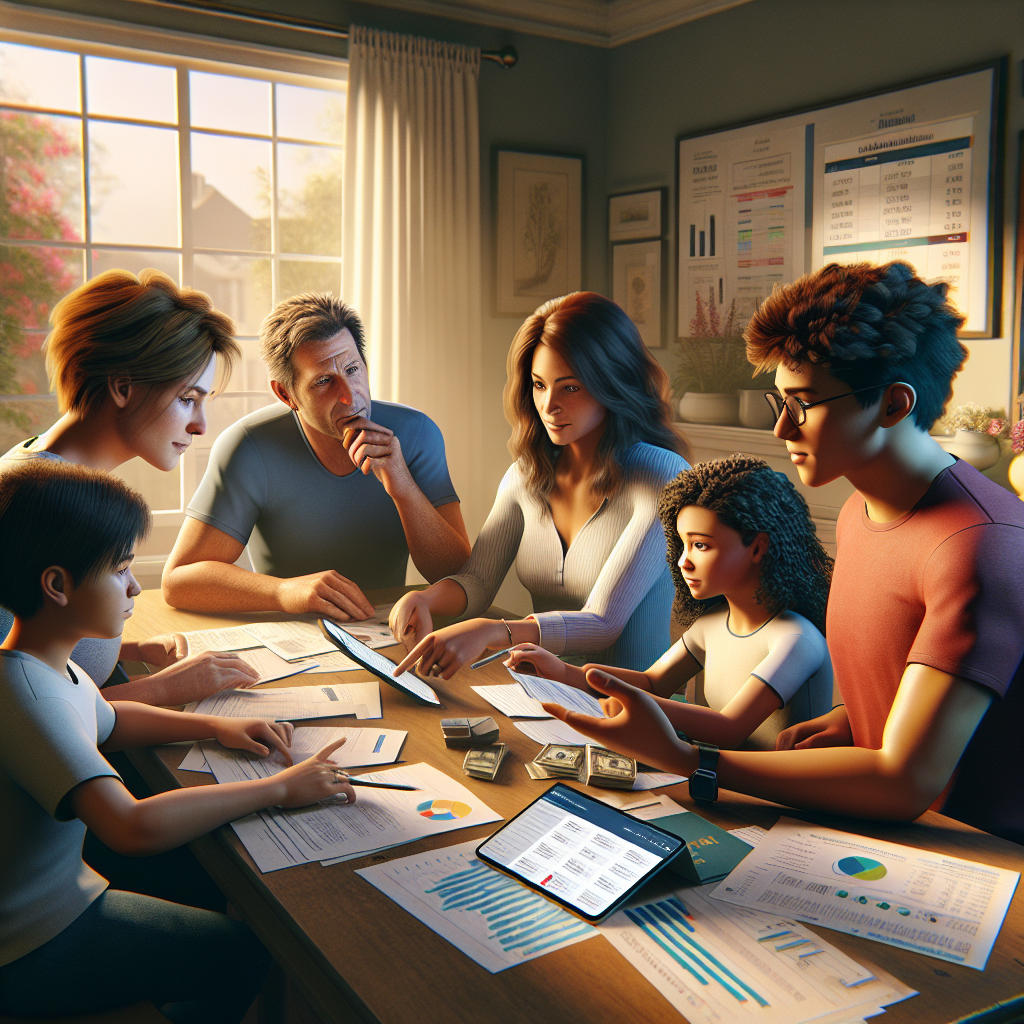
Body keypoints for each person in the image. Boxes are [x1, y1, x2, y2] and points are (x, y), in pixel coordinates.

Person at [542, 261, 1024, 845]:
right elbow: (939, 685)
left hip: (971, 856)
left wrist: (692, 760)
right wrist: (847, 723)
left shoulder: (977, 544)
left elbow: (904, 779)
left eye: (804, 403)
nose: (782, 430)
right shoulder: (859, 511)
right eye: (779, 403)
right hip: (869, 825)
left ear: (894, 405)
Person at [0, 461, 356, 1021]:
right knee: (242, 955)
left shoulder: (45, 666)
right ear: (57, 586)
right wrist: (279, 790)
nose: (136, 584)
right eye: (120, 568)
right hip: (30, 943)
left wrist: (214, 725)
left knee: (206, 881)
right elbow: (131, 827)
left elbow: (111, 722)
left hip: (54, 897)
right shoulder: (26, 695)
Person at [390, 291, 691, 679]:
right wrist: (424, 599)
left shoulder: (661, 475)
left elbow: (603, 623)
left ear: (612, 382)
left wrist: (493, 631)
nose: (549, 406)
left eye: (570, 387)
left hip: (630, 710)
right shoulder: (525, 476)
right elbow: (478, 581)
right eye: (538, 385)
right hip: (540, 698)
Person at [1, 269, 260, 703]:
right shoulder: (27, 503)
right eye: (187, 399)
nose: (199, 425)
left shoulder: (63, 482)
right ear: (123, 387)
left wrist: (130, 650)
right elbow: (17, 706)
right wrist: (165, 688)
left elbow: (39, 642)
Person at [161, 292, 471, 622]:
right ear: (286, 393)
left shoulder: (418, 435)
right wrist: (283, 591)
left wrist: (403, 487)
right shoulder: (249, 446)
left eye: (353, 369)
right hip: (289, 639)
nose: (350, 396)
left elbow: (458, 575)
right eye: (324, 381)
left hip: (387, 634)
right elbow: (180, 580)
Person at [507, 455, 834, 750]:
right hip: (719, 778)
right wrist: (563, 671)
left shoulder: (796, 640)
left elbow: (729, 729)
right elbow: (653, 682)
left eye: (701, 546)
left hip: (777, 801)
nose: (682, 562)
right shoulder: (712, 624)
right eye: (683, 544)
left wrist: (632, 702)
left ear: (758, 548)